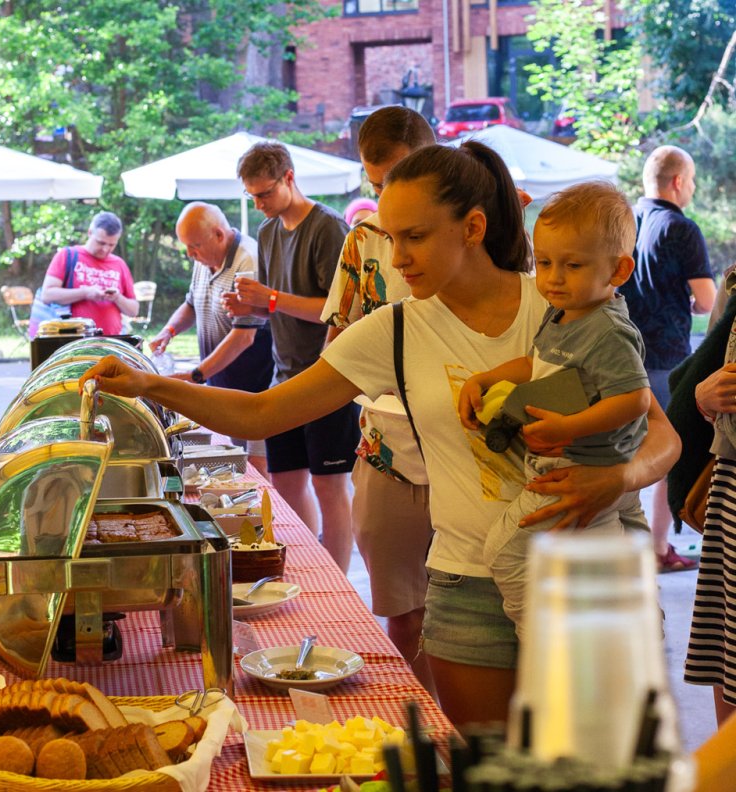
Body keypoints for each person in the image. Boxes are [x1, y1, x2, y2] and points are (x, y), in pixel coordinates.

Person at [80, 142, 680, 730]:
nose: (397, 260)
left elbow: (661, 437)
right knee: (488, 769)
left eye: (415, 237)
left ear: (472, 227)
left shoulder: (557, 305)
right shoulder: (391, 330)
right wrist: (149, 385)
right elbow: (261, 415)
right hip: (468, 583)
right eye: (391, 239)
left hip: (589, 566)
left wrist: (617, 478)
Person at [457, 181, 651, 636]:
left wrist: (571, 424)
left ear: (619, 270)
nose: (553, 278)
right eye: (543, 263)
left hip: (581, 465)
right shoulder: (563, 312)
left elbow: (636, 399)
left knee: (505, 551)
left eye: (573, 265)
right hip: (562, 461)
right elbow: (537, 362)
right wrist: (486, 378)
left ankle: (540, 638)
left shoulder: (607, 331)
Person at [319, 106, 437, 690]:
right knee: (402, 611)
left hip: (472, 454)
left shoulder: (484, 226)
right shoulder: (362, 241)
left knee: (484, 623)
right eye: (374, 184)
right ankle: (432, 745)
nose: (384, 195)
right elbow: (337, 344)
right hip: (386, 450)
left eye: (393, 178)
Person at [223, 140, 357, 572]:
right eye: (252, 195)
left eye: (264, 193)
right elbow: (277, 305)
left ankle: (336, 579)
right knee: (284, 482)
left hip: (327, 378)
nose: (259, 204)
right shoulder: (266, 233)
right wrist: (253, 308)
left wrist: (271, 299)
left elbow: (337, 309)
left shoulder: (328, 228)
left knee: (329, 486)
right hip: (285, 377)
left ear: (289, 178)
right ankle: (306, 568)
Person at [618, 145, 716, 573]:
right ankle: (657, 549)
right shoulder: (681, 228)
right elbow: (709, 301)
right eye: (691, 181)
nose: (691, 188)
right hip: (666, 357)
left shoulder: (627, 220)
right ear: (678, 181)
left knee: (622, 452)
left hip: (621, 352)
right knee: (666, 454)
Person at [148, 202, 273, 473]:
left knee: (257, 467)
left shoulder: (247, 259)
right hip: (223, 384)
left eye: (194, 246)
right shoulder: (204, 259)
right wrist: (168, 331)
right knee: (233, 463)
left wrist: (197, 375)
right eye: (186, 247)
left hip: (255, 387)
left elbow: (244, 337)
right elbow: (192, 304)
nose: (190, 254)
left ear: (218, 234)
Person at [684, 269, 736, 730]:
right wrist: (706, 396)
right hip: (730, 486)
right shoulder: (735, 282)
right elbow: (704, 381)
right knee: (726, 656)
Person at [31, 211, 139, 337]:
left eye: (111, 245)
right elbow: (47, 295)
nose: (105, 249)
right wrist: (85, 293)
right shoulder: (67, 255)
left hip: (111, 342)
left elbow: (133, 310)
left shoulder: (119, 264)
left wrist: (117, 298)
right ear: (89, 233)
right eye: (101, 242)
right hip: (73, 343)